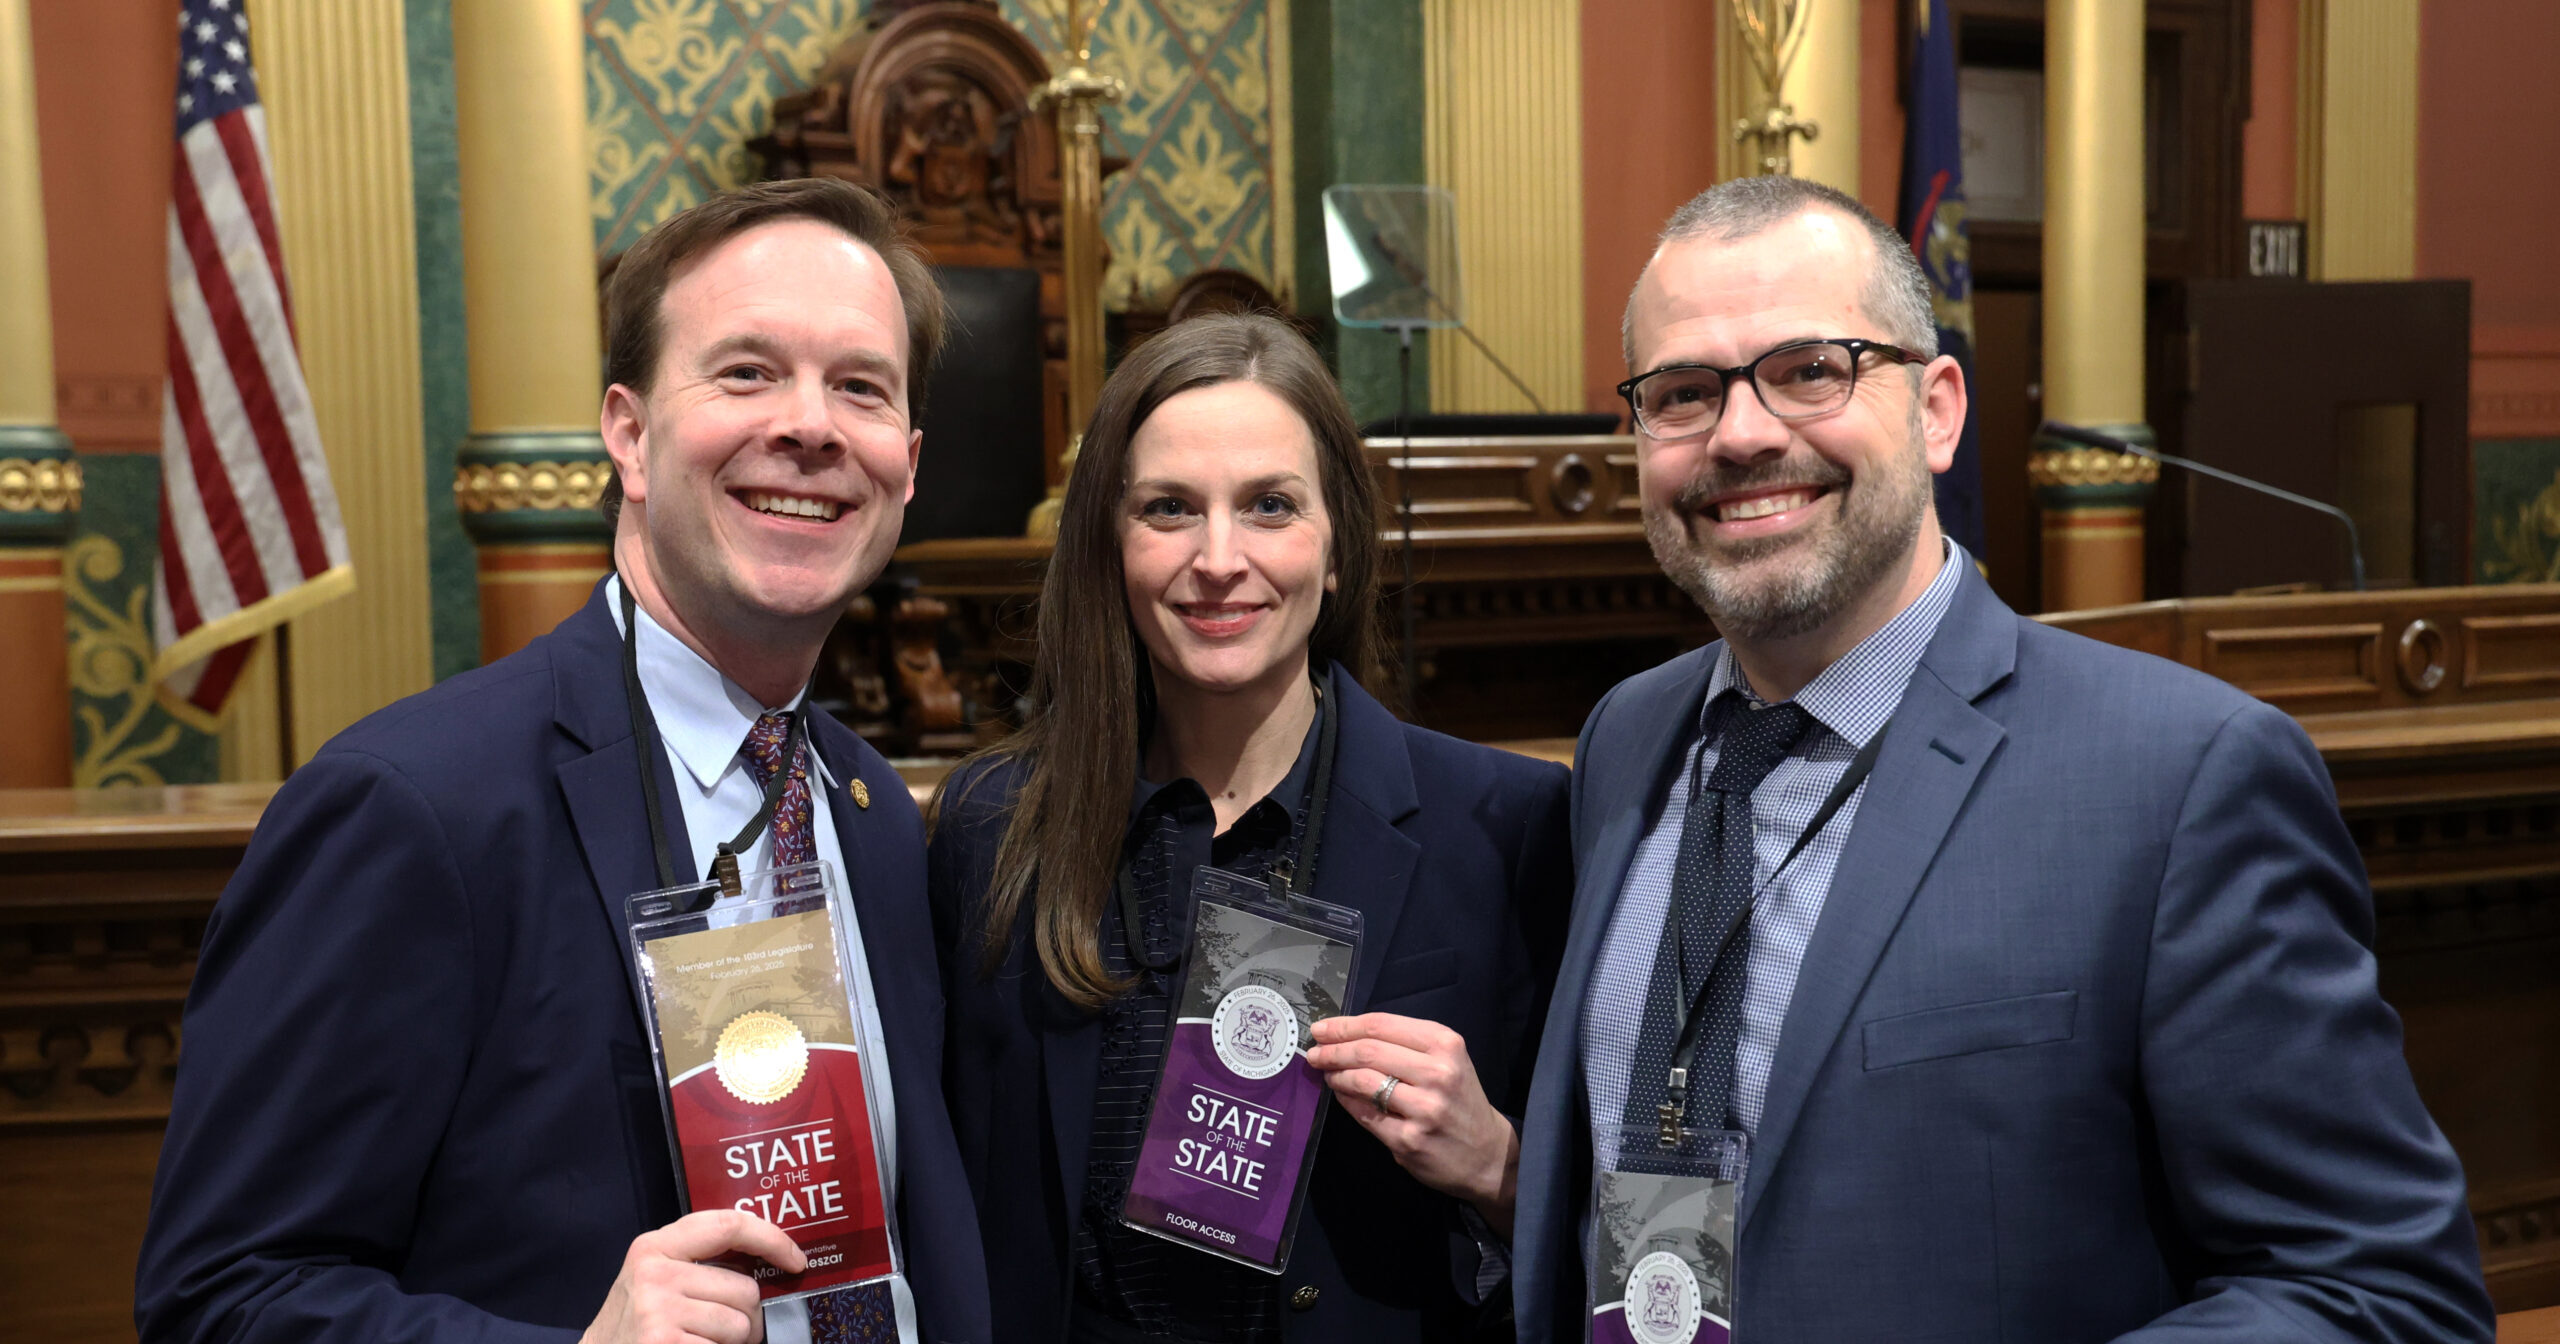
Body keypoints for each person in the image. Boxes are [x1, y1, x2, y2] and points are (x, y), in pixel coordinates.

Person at [1510, 175, 2495, 1342]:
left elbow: (2380, 1293)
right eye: (1681, 393)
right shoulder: (1628, 738)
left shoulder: (2182, 778)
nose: (1740, 433)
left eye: (1810, 369)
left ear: (1935, 409)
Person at [137, 178, 989, 1344]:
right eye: (746, 373)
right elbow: (219, 1300)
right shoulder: (413, 809)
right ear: (629, 437)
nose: (811, 426)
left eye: (860, 388)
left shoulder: (872, 811)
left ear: (906, 461)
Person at [927, 312, 1573, 1342]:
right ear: (1110, 545)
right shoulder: (992, 828)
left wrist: (1500, 1165)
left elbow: (1628, 1232)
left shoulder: (1507, 828)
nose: (1218, 559)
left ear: (1335, 544)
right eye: (1169, 509)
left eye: (1270, 506)